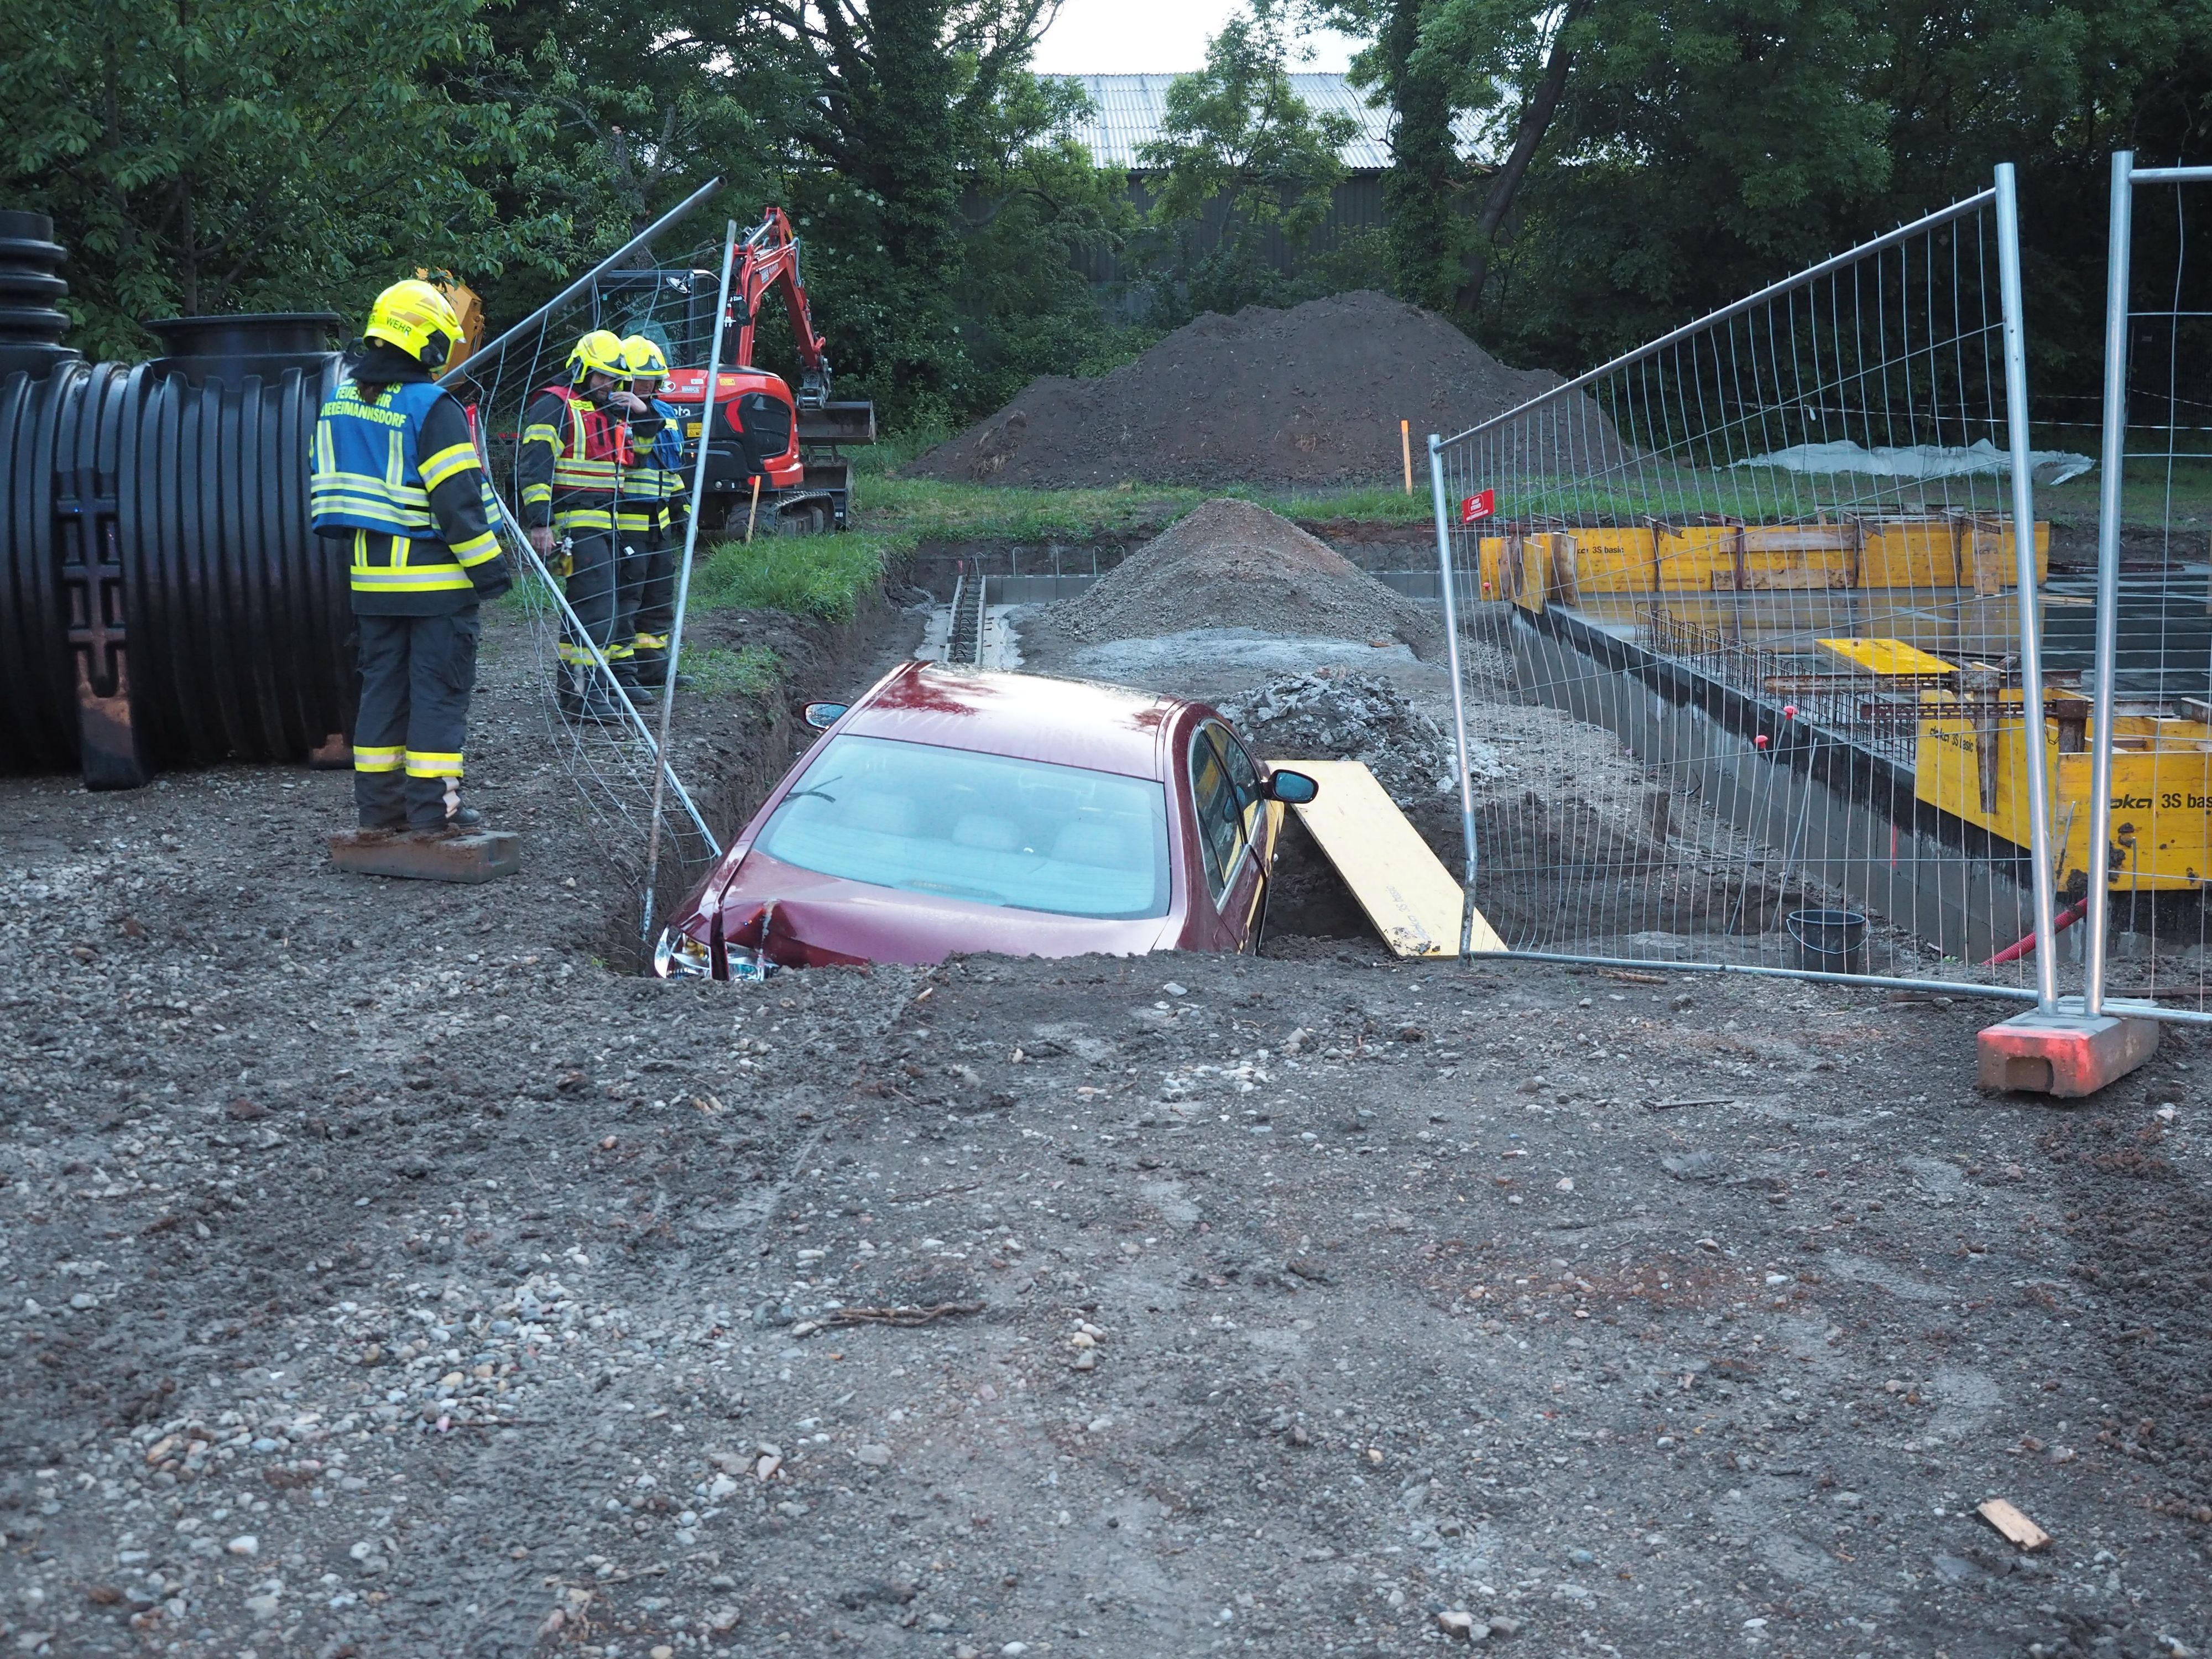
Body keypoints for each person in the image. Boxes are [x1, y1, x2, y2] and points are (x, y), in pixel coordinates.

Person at [310, 278, 510, 834]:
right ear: (428, 345)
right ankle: (433, 814)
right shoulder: (432, 407)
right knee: (438, 697)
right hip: (437, 588)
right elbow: (458, 503)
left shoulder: (341, 402)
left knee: (381, 696)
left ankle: (377, 814)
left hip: (372, 585)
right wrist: (491, 574)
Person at [517, 329, 648, 718]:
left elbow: (641, 452)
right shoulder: (554, 406)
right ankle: (580, 697)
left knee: (604, 612)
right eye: (601, 377)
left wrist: (641, 410)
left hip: (606, 525)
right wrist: (540, 523)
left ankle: (596, 689)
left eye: (613, 379)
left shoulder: (607, 411)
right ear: (581, 370)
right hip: (576, 525)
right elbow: (534, 467)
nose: (608, 386)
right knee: (591, 612)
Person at [618, 333, 687, 686]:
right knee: (628, 599)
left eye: (652, 379)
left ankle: (654, 670)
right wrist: (639, 413)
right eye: (640, 379)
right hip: (627, 520)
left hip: (659, 522)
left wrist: (682, 508)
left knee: (659, 598)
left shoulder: (666, 413)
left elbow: (669, 468)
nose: (646, 385)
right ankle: (624, 675)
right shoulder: (615, 414)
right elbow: (633, 462)